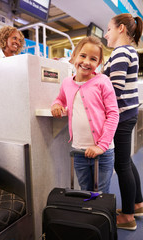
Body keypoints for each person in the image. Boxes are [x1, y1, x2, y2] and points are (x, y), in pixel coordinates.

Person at [51, 36, 119, 193]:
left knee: (101, 194)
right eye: (82, 55)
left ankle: (100, 218)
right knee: (84, 191)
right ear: (74, 55)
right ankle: (87, 217)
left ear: (99, 63)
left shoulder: (103, 81)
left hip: (103, 151)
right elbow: (60, 98)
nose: (87, 62)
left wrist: (101, 146)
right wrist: (56, 104)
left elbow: (113, 114)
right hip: (79, 150)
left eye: (93, 59)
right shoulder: (67, 82)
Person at [104, 13, 143, 230]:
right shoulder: (129, 51)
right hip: (129, 113)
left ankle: (127, 216)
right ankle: (137, 204)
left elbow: (113, 88)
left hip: (121, 115)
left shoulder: (120, 52)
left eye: (108, 29)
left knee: (121, 165)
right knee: (126, 161)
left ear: (120, 28)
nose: (106, 34)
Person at [0, 26, 24, 102]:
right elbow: (6, 71)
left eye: (19, 40)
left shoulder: (19, 60)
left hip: (12, 99)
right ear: (5, 38)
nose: (17, 42)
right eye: (14, 38)